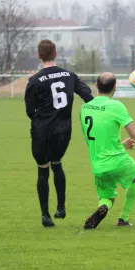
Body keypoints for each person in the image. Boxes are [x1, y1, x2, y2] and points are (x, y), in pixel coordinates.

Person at [80, 72, 135, 230]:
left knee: (107, 197)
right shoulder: (116, 106)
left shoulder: (84, 109)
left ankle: (103, 207)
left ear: (97, 86)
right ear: (114, 88)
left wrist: (123, 145)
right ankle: (123, 219)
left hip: (98, 165)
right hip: (116, 161)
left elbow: (100, 138)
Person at [25, 40, 93, 227]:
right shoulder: (70, 76)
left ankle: (45, 215)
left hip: (41, 131)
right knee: (57, 164)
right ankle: (61, 207)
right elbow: (88, 96)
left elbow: (30, 112)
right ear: (55, 53)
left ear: (39, 56)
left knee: (42, 170)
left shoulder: (35, 80)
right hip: (63, 131)